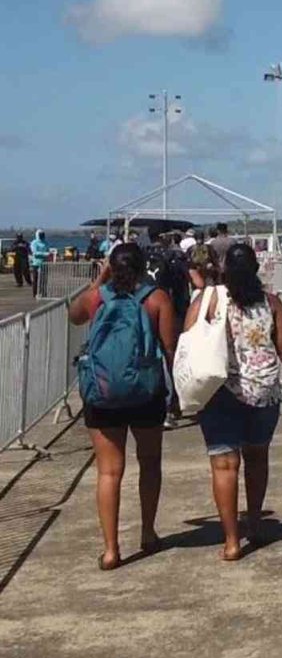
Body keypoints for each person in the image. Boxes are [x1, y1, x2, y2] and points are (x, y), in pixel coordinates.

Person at [190, 242, 282, 561]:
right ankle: (255, 524)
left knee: (224, 465)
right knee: (257, 460)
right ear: (256, 269)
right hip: (263, 393)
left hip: (220, 393)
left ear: (224, 269)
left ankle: (231, 541)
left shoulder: (211, 301)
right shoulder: (271, 304)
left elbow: (188, 336)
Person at [69, 243, 178, 571]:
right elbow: (171, 348)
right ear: (145, 266)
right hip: (146, 392)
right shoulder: (156, 298)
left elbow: (74, 315)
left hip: (102, 393)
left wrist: (97, 280)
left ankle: (111, 550)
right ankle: (147, 533)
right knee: (150, 462)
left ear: (111, 267)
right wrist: (178, 395)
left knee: (109, 471)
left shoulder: (97, 297)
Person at [28, 230, 48, 297]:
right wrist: (45, 254)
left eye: (43, 234)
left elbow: (47, 250)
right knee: (35, 279)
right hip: (36, 264)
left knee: (44, 280)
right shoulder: (34, 243)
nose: (42, 235)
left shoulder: (45, 242)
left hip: (44, 264)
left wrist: (50, 253)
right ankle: (35, 293)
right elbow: (35, 253)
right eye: (40, 234)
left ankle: (43, 293)